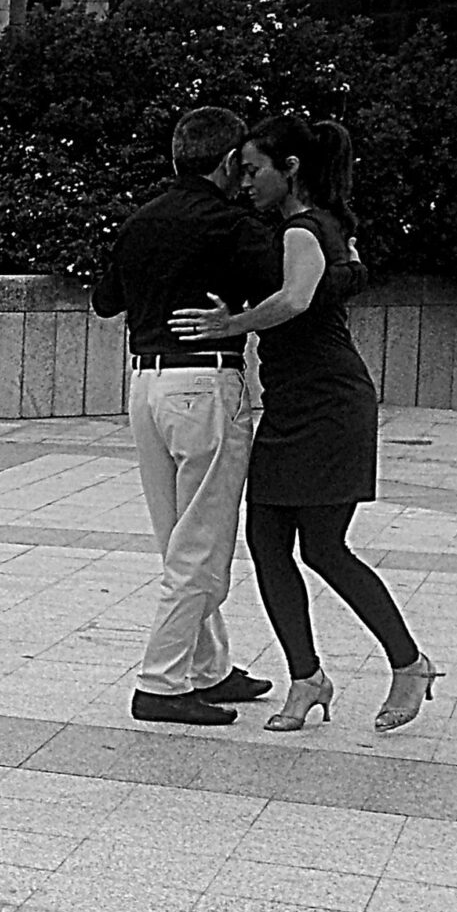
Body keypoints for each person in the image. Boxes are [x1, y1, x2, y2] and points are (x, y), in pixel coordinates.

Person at [171, 116, 437, 733]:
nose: (243, 182)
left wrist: (227, 327)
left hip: (329, 402)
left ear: (288, 168)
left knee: (323, 547)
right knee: (267, 546)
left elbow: (293, 300)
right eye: (240, 170)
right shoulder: (323, 225)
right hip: (292, 401)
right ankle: (307, 677)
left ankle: (410, 663)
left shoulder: (301, 229)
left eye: (253, 169)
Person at [91, 106, 280, 725]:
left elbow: (104, 301)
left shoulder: (140, 220)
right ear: (228, 163)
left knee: (178, 538)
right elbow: (282, 293)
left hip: (145, 386)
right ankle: (162, 682)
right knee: (200, 545)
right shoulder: (234, 224)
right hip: (205, 382)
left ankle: (208, 667)